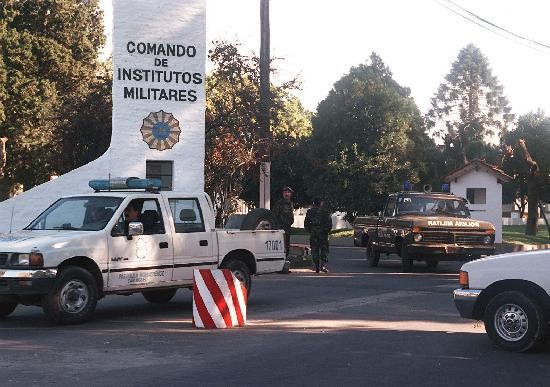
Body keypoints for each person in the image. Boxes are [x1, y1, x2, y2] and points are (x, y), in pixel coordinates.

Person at [304, 198, 332, 273]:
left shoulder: (310, 211)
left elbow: (306, 223)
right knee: (324, 249)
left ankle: (316, 266)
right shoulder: (325, 212)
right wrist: (326, 231)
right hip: (323, 233)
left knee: (314, 249)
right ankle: (322, 266)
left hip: (314, 233)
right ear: (321, 203)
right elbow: (329, 223)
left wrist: (310, 230)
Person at [272, 186, 295, 272]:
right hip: (281, 229)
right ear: (283, 194)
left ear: (291, 194)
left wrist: (290, 222)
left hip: (287, 228)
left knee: (287, 247)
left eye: (288, 192)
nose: (286, 194)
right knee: (281, 247)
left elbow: (291, 216)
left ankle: (284, 266)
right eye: (285, 192)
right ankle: (279, 267)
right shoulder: (279, 204)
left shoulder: (290, 204)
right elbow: (275, 216)